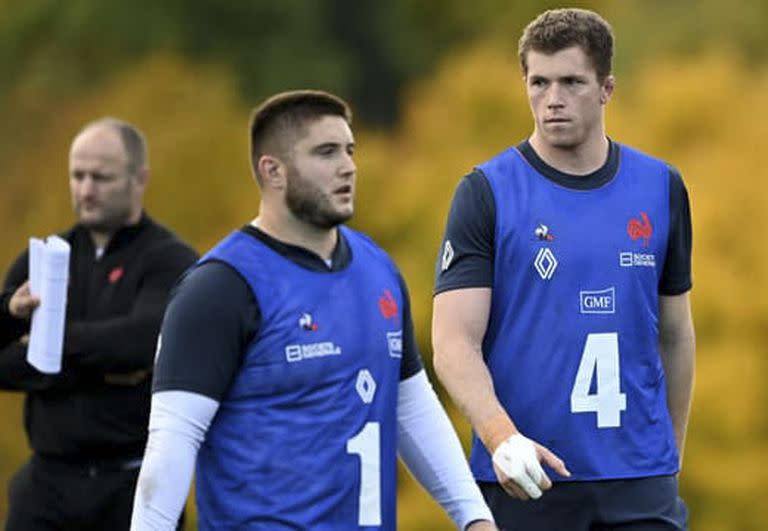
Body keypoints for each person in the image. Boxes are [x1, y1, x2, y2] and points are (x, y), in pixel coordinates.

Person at [130, 90, 495, 530]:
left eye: (350, 150)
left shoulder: (378, 269)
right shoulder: (219, 288)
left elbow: (410, 407)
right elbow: (171, 445)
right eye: (326, 153)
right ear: (273, 171)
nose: (348, 166)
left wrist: (474, 517)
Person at [431, 8, 695, 531]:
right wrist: (499, 436)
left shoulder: (660, 187)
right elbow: (453, 342)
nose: (553, 98)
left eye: (572, 81)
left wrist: (667, 460)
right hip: (527, 482)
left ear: (606, 88)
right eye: (539, 82)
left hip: (639, 486)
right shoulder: (486, 192)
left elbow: (676, 334)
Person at [0, 118, 198, 530]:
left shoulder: (170, 259)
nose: (86, 189)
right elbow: (2, 362)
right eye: (78, 175)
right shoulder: (45, 257)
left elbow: (141, 344)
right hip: (46, 487)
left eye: (101, 177)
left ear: (139, 178)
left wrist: (43, 346)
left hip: (134, 487)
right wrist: (102, 364)